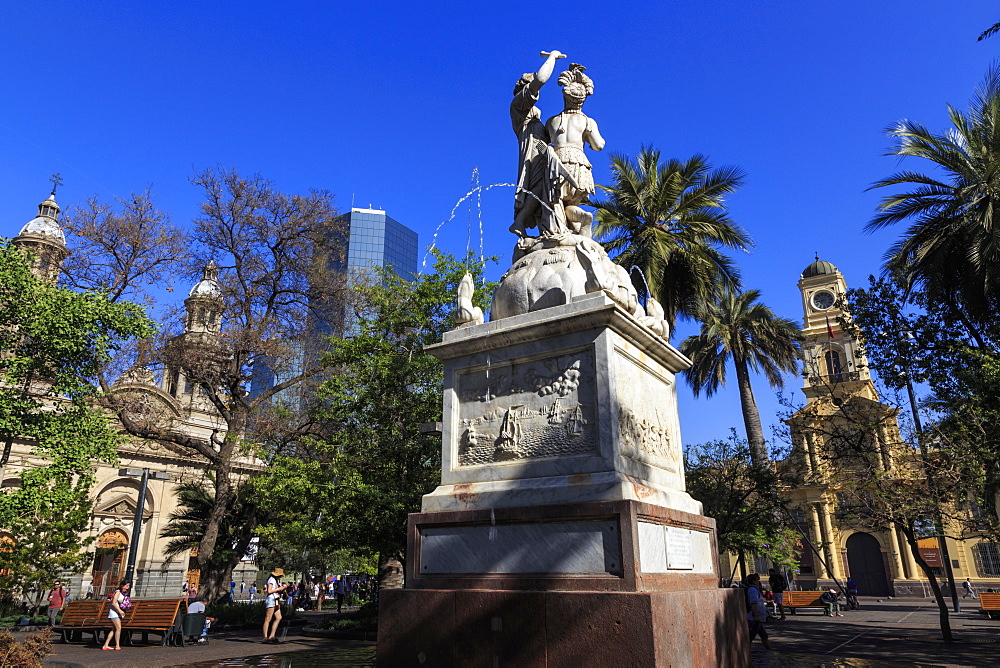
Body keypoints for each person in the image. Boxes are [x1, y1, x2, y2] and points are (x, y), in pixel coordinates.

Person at [744, 574, 772, 650]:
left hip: (757, 617)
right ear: (753, 581)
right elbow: (754, 603)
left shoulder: (755, 589)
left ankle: (769, 649)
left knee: (763, 635)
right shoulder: (752, 590)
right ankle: (746, 650)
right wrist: (756, 616)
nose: (758, 582)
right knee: (751, 635)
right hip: (754, 617)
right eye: (757, 580)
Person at [101, 581, 131, 651]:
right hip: (114, 613)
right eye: (126, 586)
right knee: (118, 628)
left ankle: (106, 645)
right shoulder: (117, 592)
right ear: (122, 586)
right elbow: (113, 603)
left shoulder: (121, 593)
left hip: (116, 613)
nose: (127, 588)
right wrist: (120, 611)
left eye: (128, 586)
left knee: (114, 629)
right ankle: (117, 645)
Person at [262, 567, 288, 644]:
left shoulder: (275, 580)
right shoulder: (272, 580)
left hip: (275, 599)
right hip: (271, 599)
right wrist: (278, 589)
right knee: (268, 618)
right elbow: (269, 591)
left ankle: (272, 635)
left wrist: (282, 589)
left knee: (278, 617)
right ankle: (265, 637)